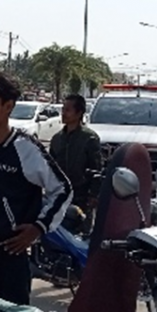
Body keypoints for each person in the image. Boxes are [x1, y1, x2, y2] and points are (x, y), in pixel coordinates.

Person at [0, 67, 72, 305]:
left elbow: (62, 188)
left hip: (11, 255)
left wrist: (38, 228)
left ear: (8, 106)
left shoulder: (25, 148)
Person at [48, 93, 103, 235]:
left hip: (82, 196)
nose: (63, 113)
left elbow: (97, 168)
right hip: (60, 196)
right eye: (63, 109)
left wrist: (94, 195)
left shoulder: (89, 138)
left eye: (67, 110)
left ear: (79, 113)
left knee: (81, 234)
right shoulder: (57, 139)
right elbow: (50, 167)